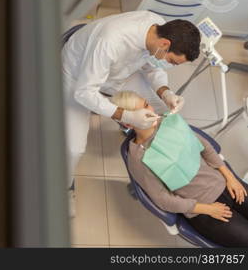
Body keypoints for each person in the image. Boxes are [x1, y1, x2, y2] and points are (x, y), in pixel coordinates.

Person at [62, 11, 201, 216]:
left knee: (159, 109)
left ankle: (148, 167)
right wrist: (126, 116)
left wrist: (166, 92)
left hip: (115, 74)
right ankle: (65, 187)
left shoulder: (158, 28)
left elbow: (151, 67)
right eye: (172, 61)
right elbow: (85, 92)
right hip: (75, 79)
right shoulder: (110, 42)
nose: (170, 65)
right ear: (164, 44)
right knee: (74, 148)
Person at [110, 90, 248, 247]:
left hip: (224, 184)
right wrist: (207, 209)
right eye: (140, 112)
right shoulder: (138, 158)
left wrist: (231, 178)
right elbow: (163, 200)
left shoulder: (170, 123)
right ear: (128, 123)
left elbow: (206, 148)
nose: (149, 112)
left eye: (147, 105)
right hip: (203, 210)